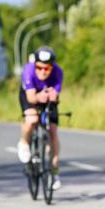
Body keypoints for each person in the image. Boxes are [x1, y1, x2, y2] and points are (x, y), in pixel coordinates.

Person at [16, 46, 64, 189]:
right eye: (39, 67)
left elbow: (56, 95)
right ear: (35, 65)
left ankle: (54, 171)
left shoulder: (58, 72)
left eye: (47, 68)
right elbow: (31, 97)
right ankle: (24, 143)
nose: (43, 71)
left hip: (47, 98)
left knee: (53, 131)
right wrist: (39, 97)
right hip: (30, 95)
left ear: (52, 67)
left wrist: (54, 96)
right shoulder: (28, 70)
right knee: (32, 119)